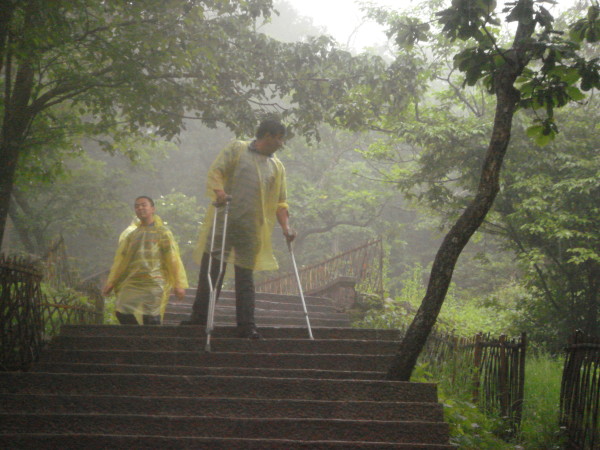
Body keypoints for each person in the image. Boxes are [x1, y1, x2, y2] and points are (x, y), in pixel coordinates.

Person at [182, 119, 296, 338]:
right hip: (225, 220)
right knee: (212, 270)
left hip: (251, 228)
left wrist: (286, 228)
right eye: (280, 138)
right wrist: (219, 192)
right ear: (268, 136)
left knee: (245, 277)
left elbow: (281, 202)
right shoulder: (238, 149)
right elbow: (217, 171)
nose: (281, 143)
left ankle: (246, 325)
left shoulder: (277, 166)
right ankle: (199, 319)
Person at [102, 196, 188, 325]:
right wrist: (112, 282)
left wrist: (178, 284)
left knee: (151, 318)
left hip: (155, 281)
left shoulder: (163, 233)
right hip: (133, 281)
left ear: (153, 209)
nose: (140, 208)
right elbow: (122, 261)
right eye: (137, 206)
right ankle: (137, 335)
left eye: (143, 205)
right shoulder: (132, 235)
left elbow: (173, 259)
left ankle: (149, 338)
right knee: (122, 311)